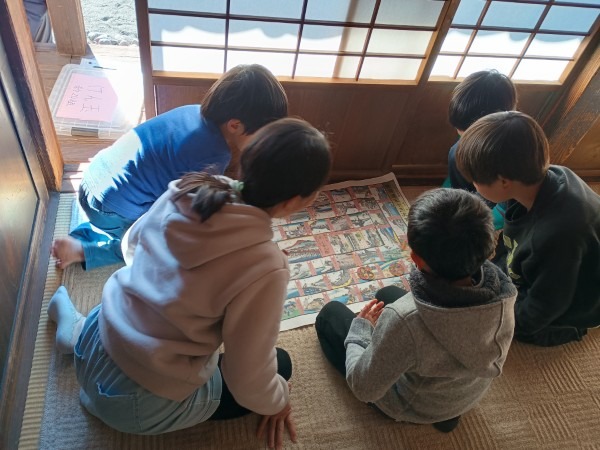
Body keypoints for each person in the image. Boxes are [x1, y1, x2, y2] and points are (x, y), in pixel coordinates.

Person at [47, 118, 332, 449]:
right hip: (134, 404)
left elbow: (131, 246)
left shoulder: (189, 186)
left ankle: (73, 331)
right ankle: (98, 400)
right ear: (294, 202)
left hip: (98, 337)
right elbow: (247, 378)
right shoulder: (267, 268)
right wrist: (278, 401)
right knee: (280, 367)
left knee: (136, 306)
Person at [315, 188, 517, 432]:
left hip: (412, 404)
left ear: (416, 258)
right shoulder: (504, 294)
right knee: (386, 294)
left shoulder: (404, 320)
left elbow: (364, 387)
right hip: (463, 394)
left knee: (330, 315)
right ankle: (447, 414)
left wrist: (361, 330)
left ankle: (426, 413)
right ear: (488, 245)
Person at [51, 63, 288, 271]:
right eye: (262, 133)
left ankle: (95, 231)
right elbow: (190, 208)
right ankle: (83, 249)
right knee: (146, 246)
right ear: (235, 125)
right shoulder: (213, 153)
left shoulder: (192, 111)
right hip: (109, 207)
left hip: (94, 178)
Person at [456, 110, 600, 347]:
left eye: (475, 180)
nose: (474, 185)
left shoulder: (557, 237)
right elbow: (509, 240)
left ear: (504, 181)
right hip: (554, 266)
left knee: (493, 325)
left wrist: (502, 324)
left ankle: (569, 328)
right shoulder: (543, 177)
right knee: (486, 279)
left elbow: (547, 305)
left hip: (575, 303)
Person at [444, 69, 517, 230]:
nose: (464, 141)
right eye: (461, 133)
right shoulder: (460, 149)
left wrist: (473, 221)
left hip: (497, 201)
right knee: (456, 153)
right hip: (482, 193)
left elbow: (503, 209)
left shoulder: (511, 157)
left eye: (469, 136)